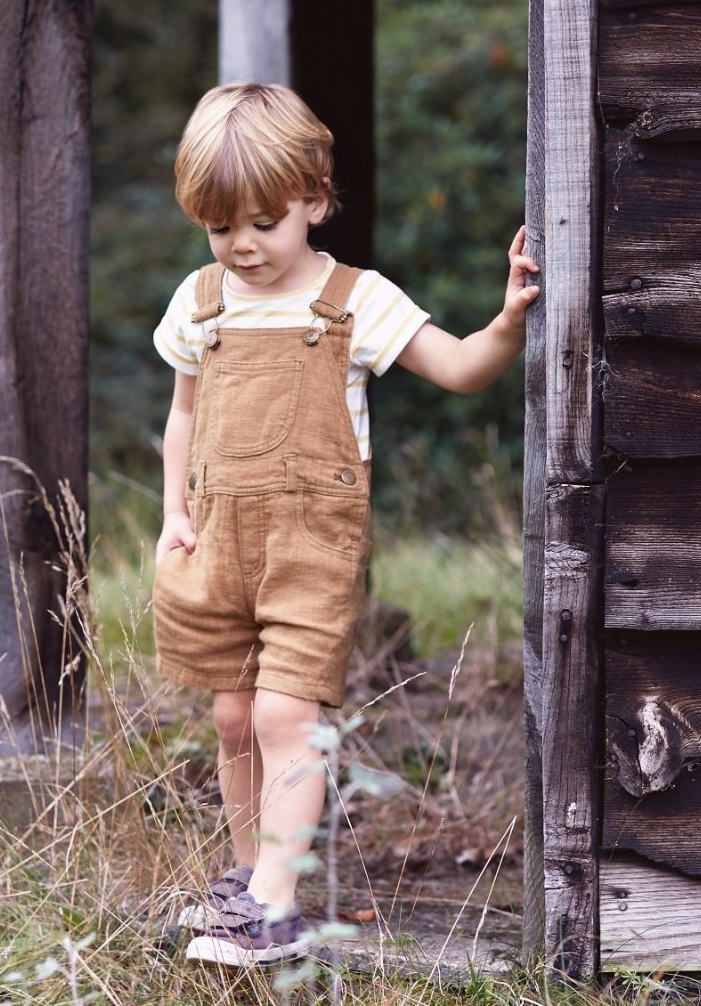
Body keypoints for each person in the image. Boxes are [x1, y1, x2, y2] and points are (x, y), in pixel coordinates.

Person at [151, 82, 539, 968]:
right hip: (215, 542)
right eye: (220, 228)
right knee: (235, 718)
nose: (242, 246)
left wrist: (508, 323)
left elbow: (459, 368)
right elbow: (183, 412)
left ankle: (277, 906)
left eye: (263, 221)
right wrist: (174, 512)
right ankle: (246, 887)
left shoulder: (355, 299)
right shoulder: (200, 299)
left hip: (307, 552)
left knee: (289, 715)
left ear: (316, 200)